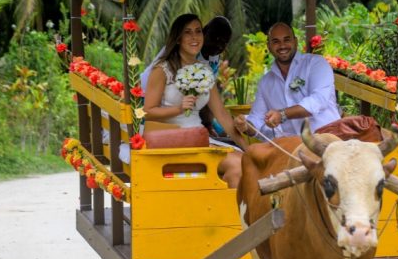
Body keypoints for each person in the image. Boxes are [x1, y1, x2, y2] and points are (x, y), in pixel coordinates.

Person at [143, 13, 247, 184]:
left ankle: (225, 207)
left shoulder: (204, 71)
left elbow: (221, 113)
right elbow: (147, 112)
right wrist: (178, 109)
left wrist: (246, 147)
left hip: (198, 137)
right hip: (172, 141)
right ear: (178, 38)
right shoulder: (162, 70)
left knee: (246, 161)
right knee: (238, 166)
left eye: (198, 31)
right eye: (188, 32)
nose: (194, 37)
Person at [233, 22, 340, 140]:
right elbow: (256, 121)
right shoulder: (266, 82)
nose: (282, 45)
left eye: (286, 40)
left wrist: (282, 114)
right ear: (268, 46)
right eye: (276, 41)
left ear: (295, 41)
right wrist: (245, 126)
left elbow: (318, 100)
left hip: (328, 141)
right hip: (292, 150)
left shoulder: (316, 64)